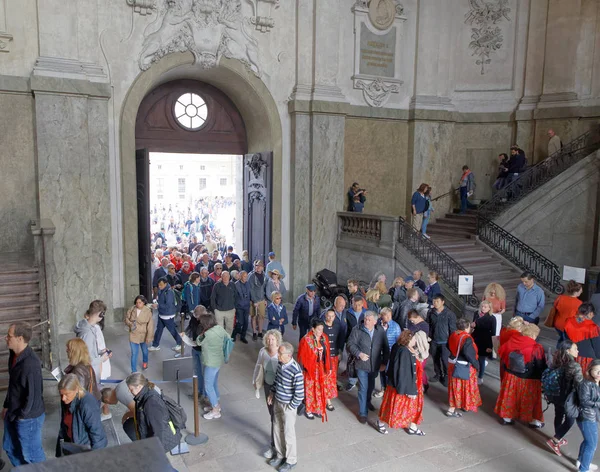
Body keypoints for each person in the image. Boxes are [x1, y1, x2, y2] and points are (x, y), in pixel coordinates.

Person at [2, 322, 46, 467]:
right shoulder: (14, 355)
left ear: (20, 338)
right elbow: (14, 385)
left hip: (28, 418)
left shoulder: (30, 364)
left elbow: (33, 396)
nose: (5, 338)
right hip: (14, 412)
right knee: (10, 447)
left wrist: (22, 417)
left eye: (9, 336)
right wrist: (7, 405)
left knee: (32, 455)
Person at [495, 324, 546, 427]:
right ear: (533, 334)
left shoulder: (512, 341)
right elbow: (540, 364)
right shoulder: (536, 347)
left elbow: (502, 353)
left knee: (511, 397)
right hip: (529, 378)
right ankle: (533, 420)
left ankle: (507, 418)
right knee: (530, 400)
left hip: (511, 376)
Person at [377, 330, 425, 435]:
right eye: (414, 339)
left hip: (398, 384)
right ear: (409, 339)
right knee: (393, 408)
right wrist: (407, 390)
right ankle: (380, 423)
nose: (415, 341)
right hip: (401, 386)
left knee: (396, 407)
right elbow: (402, 371)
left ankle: (412, 426)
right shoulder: (404, 351)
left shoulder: (398, 346)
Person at [346, 311, 390, 424]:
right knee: (363, 388)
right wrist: (359, 353)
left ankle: (368, 401)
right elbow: (350, 344)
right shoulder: (357, 329)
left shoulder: (380, 331)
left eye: (369, 320)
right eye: (365, 319)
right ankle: (363, 413)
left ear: (375, 321)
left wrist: (384, 363)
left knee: (370, 387)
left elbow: (385, 348)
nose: (366, 321)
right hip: (361, 365)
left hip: (375, 365)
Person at [267, 342, 304, 472]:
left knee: (289, 433)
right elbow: (277, 380)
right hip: (278, 401)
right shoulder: (281, 364)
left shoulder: (296, 370)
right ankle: (280, 454)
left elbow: (299, 394)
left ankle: (291, 460)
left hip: (288, 405)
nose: (278, 355)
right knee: (277, 428)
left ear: (288, 355)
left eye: (280, 353)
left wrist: (290, 407)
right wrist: (272, 392)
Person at [126, 373, 181, 459]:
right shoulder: (146, 393)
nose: (130, 392)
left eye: (131, 389)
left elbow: (159, 429)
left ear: (139, 386)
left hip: (160, 442)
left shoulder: (151, 403)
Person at [545, 340, 583, 457]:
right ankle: (555, 440)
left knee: (559, 415)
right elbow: (579, 384)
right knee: (570, 419)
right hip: (567, 397)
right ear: (568, 351)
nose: (578, 351)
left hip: (556, 394)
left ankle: (558, 437)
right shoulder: (574, 365)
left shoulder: (557, 359)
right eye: (575, 348)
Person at [56, 374, 107, 456]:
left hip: (84, 448)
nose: (63, 398)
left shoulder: (88, 404)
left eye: (66, 394)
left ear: (76, 389)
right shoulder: (66, 400)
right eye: (61, 394)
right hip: (72, 442)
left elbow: (97, 433)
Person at [253, 329, 282, 460]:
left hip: (279, 388)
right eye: (269, 339)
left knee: (277, 416)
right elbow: (258, 366)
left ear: (277, 340)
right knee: (272, 414)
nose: (270, 342)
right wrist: (255, 382)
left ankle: (274, 445)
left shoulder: (281, 352)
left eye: (273, 339)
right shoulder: (263, 352)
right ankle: (274, 441)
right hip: (267, 385)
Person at [194, 312, 229, 419]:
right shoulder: (219, 328)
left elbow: (198, 342)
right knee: (213, 383)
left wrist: (202, 333)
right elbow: (227, 337)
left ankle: (215, 410)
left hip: (211, 362)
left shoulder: (207, 334)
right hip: (218, 360)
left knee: (208, 385)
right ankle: (216, 403)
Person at [446, 318, 482, 417]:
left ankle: (454, 406)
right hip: (463, 366)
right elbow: (469, 354)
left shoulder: (454, 334)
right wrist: (477, 365)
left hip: (453, 363)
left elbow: (447, 345)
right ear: (466, 327)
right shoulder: (467, 338)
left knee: (455, 387)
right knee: (465, 386)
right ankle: (461, 406)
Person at [298, 319, 331, 421]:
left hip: (321, 367)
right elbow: (302, 356)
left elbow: (327, 354)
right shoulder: (306, 339)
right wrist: (306, 367)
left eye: (322, 329)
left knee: (320, 388)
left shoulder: (324, 338)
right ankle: (308, 409)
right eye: (318, 329)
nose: (321, 331)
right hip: (310, 369)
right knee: (310, 389)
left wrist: (328, 367)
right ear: (313, 329)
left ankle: (317, 408)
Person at [74, 302, 112, 381]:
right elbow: (87, 359)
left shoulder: (87, 326)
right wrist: (102, 359)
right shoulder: (88, 333)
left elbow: (88, 349)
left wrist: (100, 351)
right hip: (90, 373)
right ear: (100, 314)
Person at [575, 360, 600, 472]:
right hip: (586, 417)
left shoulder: (596, 382)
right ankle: (584, 469)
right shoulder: (586, 383)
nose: (599, 373)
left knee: (587, 441)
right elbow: (584, 401)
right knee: (592, 444)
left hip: (592, 416)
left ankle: (581, 461)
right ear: (590, 371)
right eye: (596, 370)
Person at [428, 294, 457, 386]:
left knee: (445, 360)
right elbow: (429, 325)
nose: (435, 303)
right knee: (435, 359)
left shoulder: (449, 314)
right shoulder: (431, 312)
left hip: (445, 342)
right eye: (434, 301)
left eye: (437, 301)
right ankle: (438, 374)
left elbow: (453, 330)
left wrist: (452, 343)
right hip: (434, 341)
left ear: (443, 302)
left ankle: (447, 376)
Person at [564, 303, 600, 373]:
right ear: (590, 313)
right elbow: (597, 347)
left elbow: (566, 338)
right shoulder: (593, 327)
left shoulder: (568, 321)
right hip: (587, 358)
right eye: (593, 314)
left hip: (572, 355)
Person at [149, 277, 183, 352]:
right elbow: (161, 300)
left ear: (166, 283)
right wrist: (156, 303)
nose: (159, 286)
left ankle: (180, 343)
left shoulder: (169, 292)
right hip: (162, 314)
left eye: (161, 285)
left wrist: (157, 306)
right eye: (159, 285)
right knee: (159, 330)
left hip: (167, 315)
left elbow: (168, 305)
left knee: (172, 330)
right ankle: (155, 345)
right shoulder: (162, 290)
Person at [373, 307, 401, 399]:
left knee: (388, 372)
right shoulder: (377, 325)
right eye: (386, 316)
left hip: (390, 353)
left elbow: (398, 341)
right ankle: (383, 388)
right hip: (379, 352)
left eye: (389, 316)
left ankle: (388, 390)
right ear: (381, 316)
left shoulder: (396, 326)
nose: (388, 318)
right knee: (381, 371)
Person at [64, 338, 101, 403]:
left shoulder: (79, 369)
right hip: (93, 399)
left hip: (87, 403)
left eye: (69, 349)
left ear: (74, 352)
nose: (66, 351)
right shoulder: (85, 364)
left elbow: (79, 393)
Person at [125, 295, 154, 373]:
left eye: (140, 302)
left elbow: (150, 325)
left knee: (145, 351)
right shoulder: (132, 309)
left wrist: (149, 337)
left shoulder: (148, 311)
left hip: (143, 334)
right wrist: (130, 324)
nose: (138, 304)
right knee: (134, 353)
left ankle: (145, 362)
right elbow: (126, 319)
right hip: (134, 333)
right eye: (137, 302)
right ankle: (133, 370)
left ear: (144, 303)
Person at [549, 280, 583, 347]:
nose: (581, 292)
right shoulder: (579, 303)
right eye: (580, 290)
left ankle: (558, 353)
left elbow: (555, 307)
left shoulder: (560, 298)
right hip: (568, 326)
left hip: (558, 324)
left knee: (562, 338)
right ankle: (562, 355)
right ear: (576, 292)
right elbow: (579, 318)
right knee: (567, 343)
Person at [344, 294, 367, 392]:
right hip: (351, 340)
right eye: (354, 304)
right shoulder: (347, 313)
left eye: (359, 305)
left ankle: (362, 380)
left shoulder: (366, 313)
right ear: (351, 304)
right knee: (351, 362)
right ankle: (352, 381)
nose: (357, 307)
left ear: (362, 304)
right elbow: (345, 328)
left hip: (363, 341)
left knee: (362, 360)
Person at [323, 309, 344, 410]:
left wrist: (339, 352)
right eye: (328, 316)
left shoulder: (337, 326)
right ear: (325, 316)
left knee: (332, 377)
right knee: (325, 377)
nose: (330, 318)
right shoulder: (321, 327)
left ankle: (328, 396)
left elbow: (340, 340)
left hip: (334, 356)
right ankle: (327, 400)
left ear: (335, 317)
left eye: (332, 316)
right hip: (324, 357)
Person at [472, 301, 497, 384]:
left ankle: (480, 377)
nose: (483, 308)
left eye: (485, 307)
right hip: (475, 338)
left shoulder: (492, 318)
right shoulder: (476, 313)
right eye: (482, 306)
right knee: (473, 357)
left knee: (481, 359)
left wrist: (490, 346)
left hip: (485, 341)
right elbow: (473, 325)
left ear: (489, 308)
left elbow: (493, 333)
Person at [407, 310, 430, 393]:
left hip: (420, 350)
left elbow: (421, 341)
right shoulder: (415, 324)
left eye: (413, 320)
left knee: (419, 369)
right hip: (414, 349)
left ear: (418, 317)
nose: (412, 322)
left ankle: (424, 385)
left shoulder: (424, 326)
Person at [211, 270, 237, 336]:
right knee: (219, 328)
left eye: (227, 276)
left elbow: (237, 296)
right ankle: (220, 342)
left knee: (230, 328)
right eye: (223, 276)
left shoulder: (233, 285)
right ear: (221, 277)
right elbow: (212, 298)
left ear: (229, 277)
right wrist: (215, 309)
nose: (225, 278)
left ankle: (227, 342)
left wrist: (234, 307)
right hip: (219, 311)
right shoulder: (217, 285)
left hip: (230, 310)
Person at [249, 260, 269, 341]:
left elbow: (265, 288)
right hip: (254, 300)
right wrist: (254, 301)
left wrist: (265, 299)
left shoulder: (264, 276)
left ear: (263, 267)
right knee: (254, 316)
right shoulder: (251, 276)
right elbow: (251, 289)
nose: (258, 267)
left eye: (260, 266)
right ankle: (254, 332)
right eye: (256, 265)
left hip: (262, 299)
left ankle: (260, 332)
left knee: (261, 317)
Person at [232, 270, 251, 343]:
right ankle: (234, 334)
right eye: (244, 276)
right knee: (240, 322)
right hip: (239, 306)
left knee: (246, 322)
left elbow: (249, 294)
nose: (246, 278)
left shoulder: (248, 284)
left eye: (246, 276)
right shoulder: (236, 284)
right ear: (240, 276)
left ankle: (243, 336)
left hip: (246, 306)